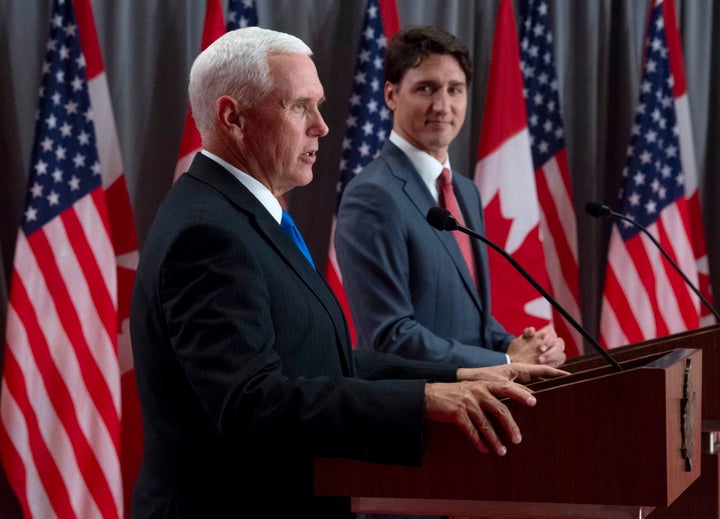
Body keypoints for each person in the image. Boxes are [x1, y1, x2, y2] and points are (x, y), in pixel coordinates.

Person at [129, 26, 567, 518]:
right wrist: (423, 401)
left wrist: (468, 372)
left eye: (318, 105)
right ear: (233, 117)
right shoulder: (208, 232)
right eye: (299, 106)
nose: (321, 126)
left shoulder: (243, 215)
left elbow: (322, 361)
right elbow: (251, 402)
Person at [335, 26, 566, 368]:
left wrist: (527, 348)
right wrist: (505, 359)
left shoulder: (465, 191)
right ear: (391, 95)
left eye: (455, 90)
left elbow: (470, 321)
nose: (442, 106)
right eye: (426, 88)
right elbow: (390, 336)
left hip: (474, 404)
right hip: (417, 411)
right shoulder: (372, 195)